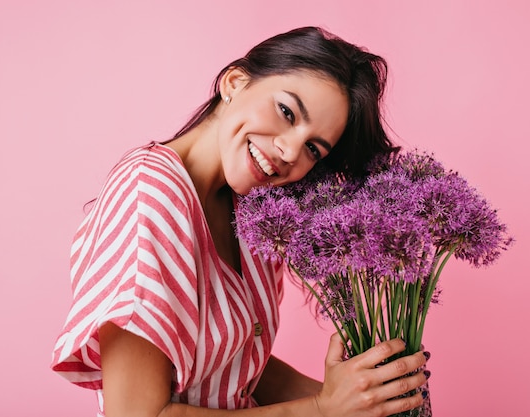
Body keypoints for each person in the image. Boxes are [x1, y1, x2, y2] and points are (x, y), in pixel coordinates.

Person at [51, 26, 430, 417]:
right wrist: (321, 409)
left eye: (313, 149)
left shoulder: (255, 210)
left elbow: (235, 368)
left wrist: (368, 398)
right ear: (235, 82)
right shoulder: (150, 195)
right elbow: (135, 414)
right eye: (286, 112)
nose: (288, 150)